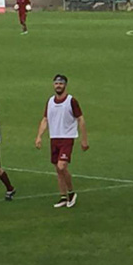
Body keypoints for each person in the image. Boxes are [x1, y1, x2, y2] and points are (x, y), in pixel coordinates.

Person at [35, 74, 89, 208]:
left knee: (61, 166)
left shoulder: (71, 101)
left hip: (67, 137)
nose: (58, 86)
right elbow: (45, 119)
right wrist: (39, 136)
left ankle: (71, 193)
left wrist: (84, 139)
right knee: (58, 170)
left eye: (61, 84)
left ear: (65, 85)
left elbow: (80, 119)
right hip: (54, 138)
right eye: (56, 83)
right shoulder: (50, 102)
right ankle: (63, 196)